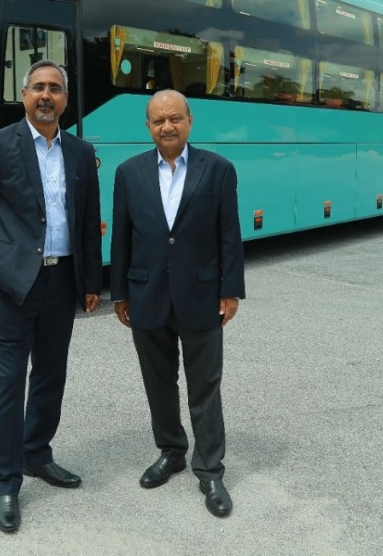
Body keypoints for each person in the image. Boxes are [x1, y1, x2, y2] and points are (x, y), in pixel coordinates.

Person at [0, 60, 102, 533]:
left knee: (51, 375)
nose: (47, 95)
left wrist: (89, 284)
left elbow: (87, 222)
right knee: (8, 378)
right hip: (11, 285)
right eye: (38, 87)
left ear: (66, 98)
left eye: (55, 89)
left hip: (62, 282)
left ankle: (37, 454)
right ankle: (5, 483)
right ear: (23, 95)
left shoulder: (81, 153)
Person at [109, 89, 245, 518]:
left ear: (190, 120)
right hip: (146, 293)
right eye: (157, 121)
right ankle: (171, 452)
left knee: (205, 386)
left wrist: (230, 289)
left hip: (202, 294)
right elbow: (122, 237)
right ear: (148, 127)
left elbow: (229, 233)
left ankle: (210, 470)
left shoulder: (218, 170)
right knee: (159, 383)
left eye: (174, 119)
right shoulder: (128, 173)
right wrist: (120, 292)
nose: (167, 127)